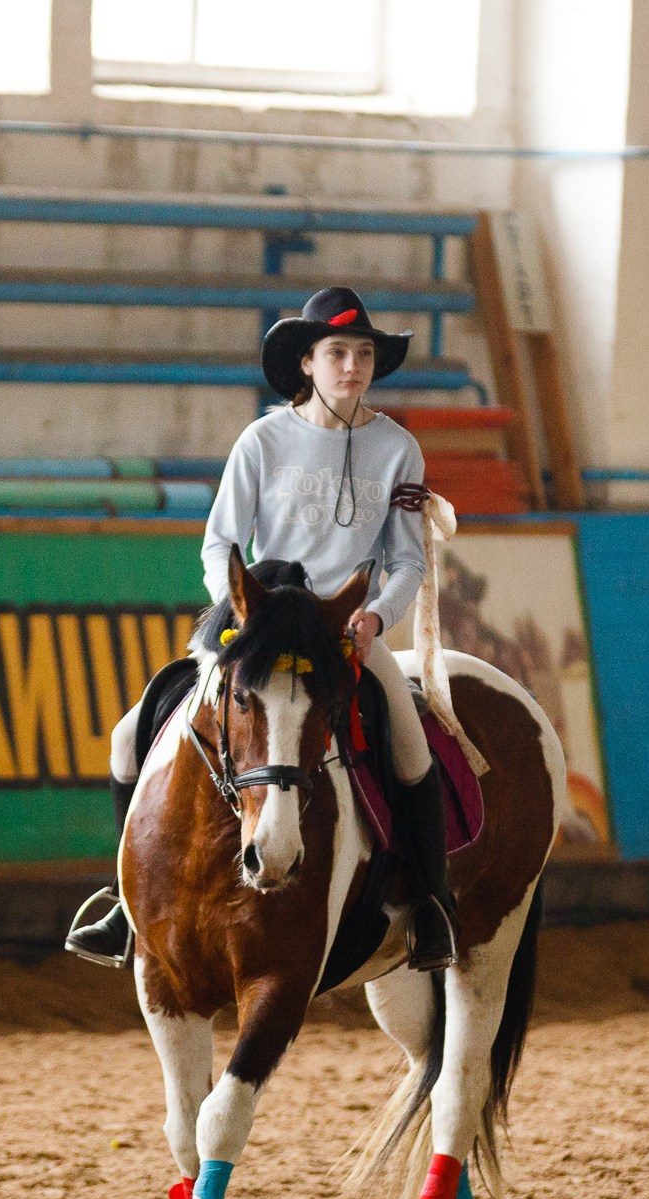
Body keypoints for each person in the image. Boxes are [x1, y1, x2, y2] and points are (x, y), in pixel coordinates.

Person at [67, 285, 458, 973]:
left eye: (363, 354)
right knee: (128, 734)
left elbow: (404, 560)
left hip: (344, 635)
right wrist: (241, 612)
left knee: (409, 742)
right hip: (259, 629)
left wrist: (373, 617)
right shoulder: (264, 440)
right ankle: (129, 906)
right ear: (307, 362)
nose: (352, 366)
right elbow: (219, 543)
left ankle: (431, 905)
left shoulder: (398, 449)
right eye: (337, 352)